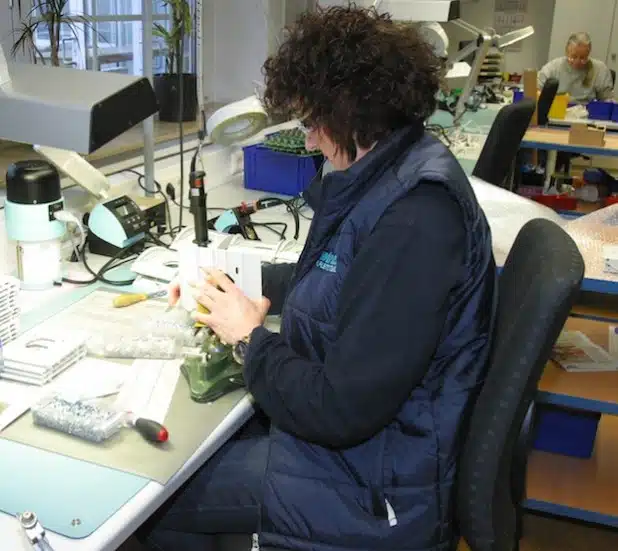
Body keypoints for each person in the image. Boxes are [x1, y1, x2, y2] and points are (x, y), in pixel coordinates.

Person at [139, 6, 497, 551]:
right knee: (191, 463)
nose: (307, 141)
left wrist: (248, 341)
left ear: (350, 113)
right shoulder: (390, 175)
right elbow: (330, 275)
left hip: (374, 484)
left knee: (162, 494)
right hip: (365, 451)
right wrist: (223, 280)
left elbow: (339, 410)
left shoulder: (417, 218)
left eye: (312, 123)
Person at [538, 32, 614, 103]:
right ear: (566, 52)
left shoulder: (599, 69)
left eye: (583, 58)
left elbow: (607, 99)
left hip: (586, 113)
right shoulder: (553, 68)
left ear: (589, 53)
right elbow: (536, 90)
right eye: (573, 57)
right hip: (558, 111)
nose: (577, 62)